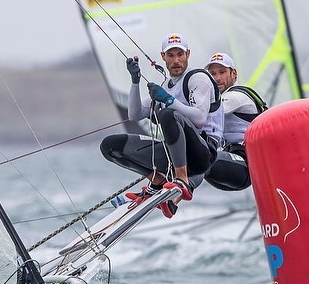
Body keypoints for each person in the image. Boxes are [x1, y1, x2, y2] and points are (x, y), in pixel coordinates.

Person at [100, 33, 224, 218]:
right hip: (175, 155)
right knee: (110, 146)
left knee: (167, 113)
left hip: (202, 154)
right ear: (163, 57)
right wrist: (135, 82)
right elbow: (134, 114)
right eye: (170, 55)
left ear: (188, 54)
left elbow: (199, 119)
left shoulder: (198, 78)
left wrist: (168, 100)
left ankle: (182, 180)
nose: (176, 60)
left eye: (180, 54)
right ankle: (157, 181)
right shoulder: (166, 85)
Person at [200, 52, 267, 192]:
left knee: (198, 157)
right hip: (231, 162)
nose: (217, 78)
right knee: (193, 161)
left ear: (233, 74)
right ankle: (167, 191)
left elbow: (203, 115)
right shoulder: (218, 98)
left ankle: (180, 187)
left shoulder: (236, 96)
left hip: (245, 164)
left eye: (222, 72)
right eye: (212, 74)